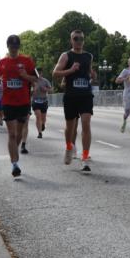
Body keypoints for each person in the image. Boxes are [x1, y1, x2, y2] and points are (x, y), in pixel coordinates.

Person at [52, 30, 95, 172]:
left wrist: (92, 75)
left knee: (86, 123)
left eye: (81, 39)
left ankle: (85, 157)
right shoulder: (66, 56)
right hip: (71, 96)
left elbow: (89, 72)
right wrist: (70, 70)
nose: (79, 41)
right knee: (70, 128)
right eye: (76, 38)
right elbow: (55, 73)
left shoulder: (88, 56)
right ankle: (69, 147)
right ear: (71, 40)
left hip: (86, 95)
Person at [0, 35, 37, 177]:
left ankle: (14, 152)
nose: (14, 49)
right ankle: (14, 164)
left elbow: (36, 78)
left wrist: (25, 76)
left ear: (19, 47)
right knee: (12, 134)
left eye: (16, 46)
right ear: (7, 46)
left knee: (19, 133)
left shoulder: (27, 61)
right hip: (8, 102)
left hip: (23, 102)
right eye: (11, 46)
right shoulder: (2, 62)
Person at [32, 70, 52, 139]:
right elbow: (29, 91)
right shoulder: (32, 81)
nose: (38, 75)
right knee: (38, 117)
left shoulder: (45, 81)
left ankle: (43, 124)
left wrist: (45, 89)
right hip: (35, 101)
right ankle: (39, 133)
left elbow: (51, 89)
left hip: (44, 101)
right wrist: (34, 89)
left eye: (40, 74)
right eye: (37, 74)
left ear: (41, 74)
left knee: (43, 118)